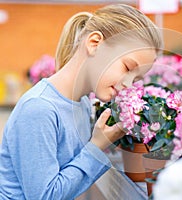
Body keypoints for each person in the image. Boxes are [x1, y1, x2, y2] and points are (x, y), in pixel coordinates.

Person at [0, 4, 163, 199]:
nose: (128, 84)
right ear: (94, 43)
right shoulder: (39, 108)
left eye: (136, 79)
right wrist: (97, 147)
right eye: (127, 67)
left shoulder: (83, 103)